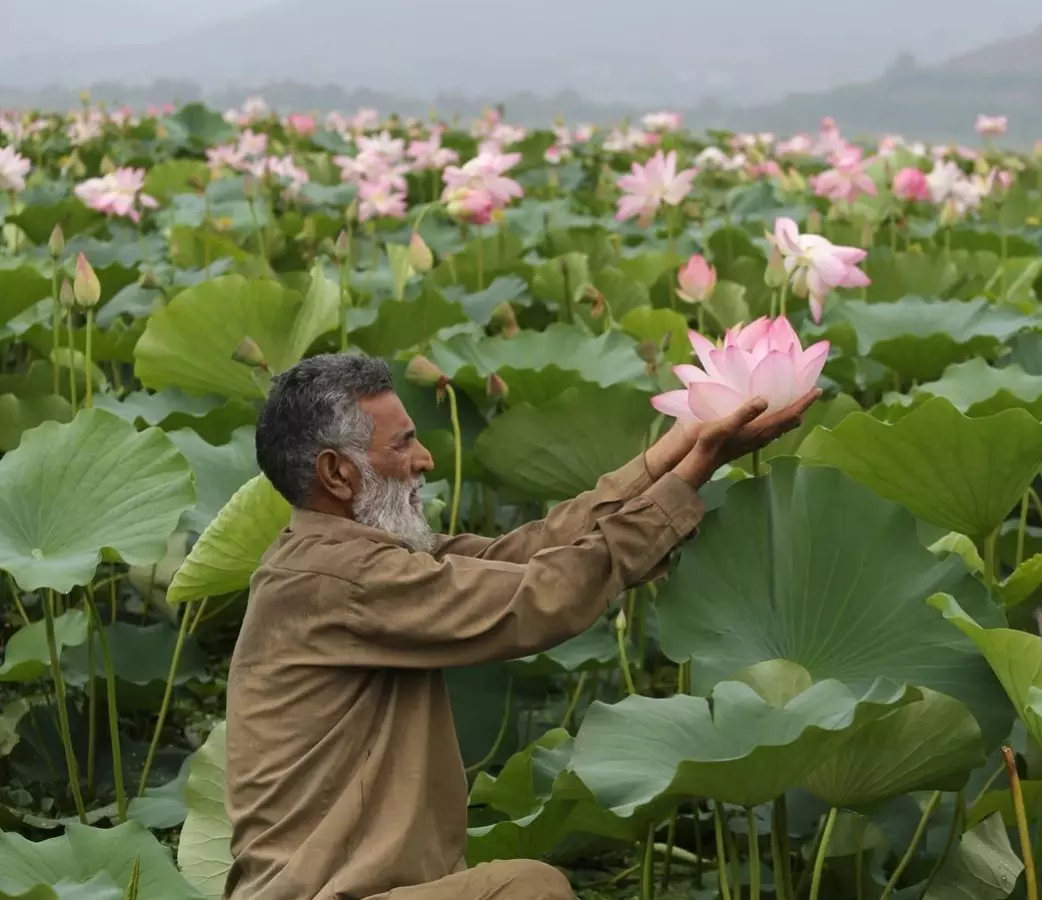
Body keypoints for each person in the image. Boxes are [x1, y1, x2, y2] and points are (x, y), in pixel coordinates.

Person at [224, 353, 818, 900]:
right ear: (337, 474)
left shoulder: (350, 560)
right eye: (403, 444)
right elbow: (539, 596)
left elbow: (523, 556)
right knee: (529, 890)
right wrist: (690, 478)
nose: (425, 459)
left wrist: (677, 450)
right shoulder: (343, 581)